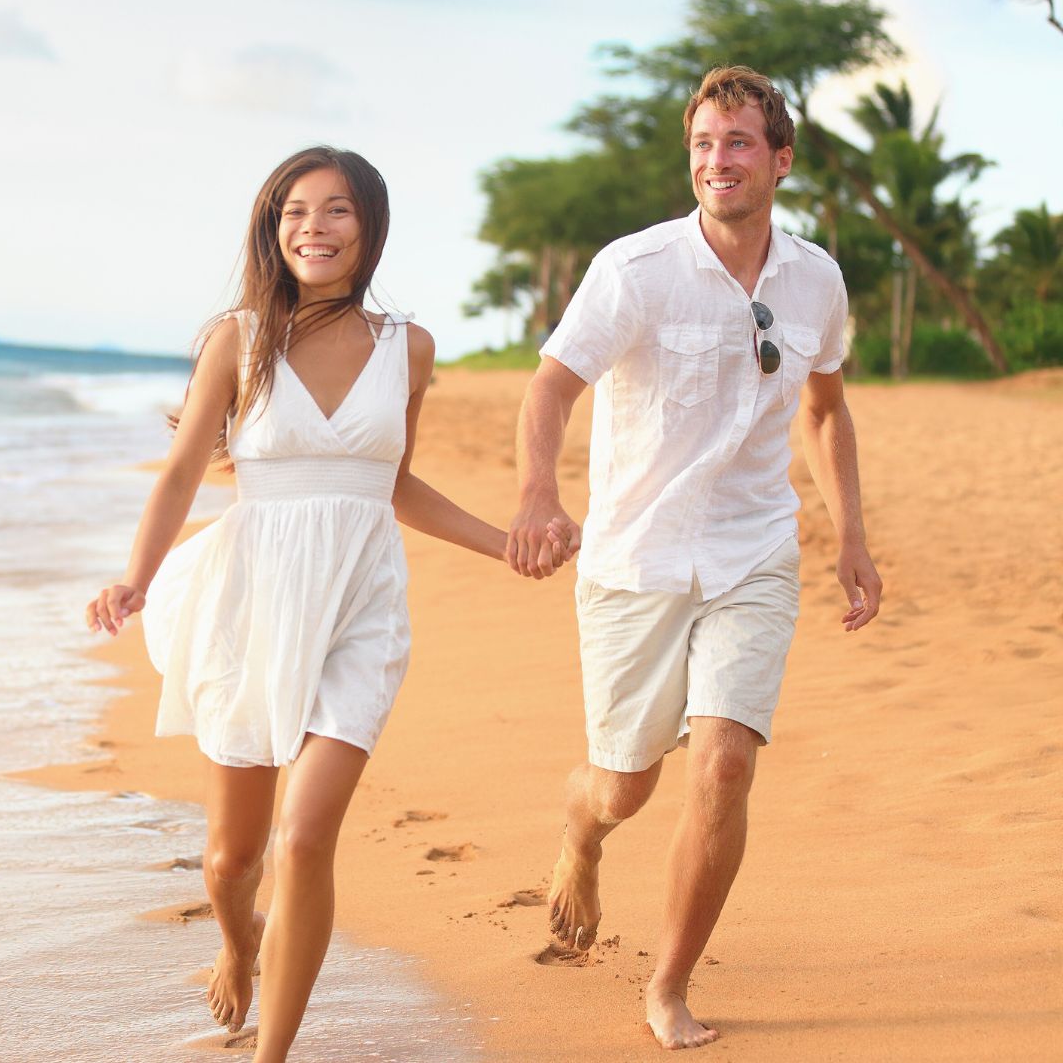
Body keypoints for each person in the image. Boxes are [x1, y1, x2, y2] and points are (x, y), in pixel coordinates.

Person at [86, 145, 572, 1061]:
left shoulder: (409, 348)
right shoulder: (238, 339)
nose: (315, 227)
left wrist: (502, 541)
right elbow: (185, 470)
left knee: (306, 838)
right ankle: (238, 941)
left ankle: (273, 1054)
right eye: (295, 211)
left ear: (370, 227)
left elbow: (394, 485)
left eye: (337, 210)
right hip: (252, 601)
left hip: (360, 602)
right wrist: (135, 578)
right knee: (234, 861)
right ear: (274, 230)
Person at [507, 66, 882, 1050]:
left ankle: (667, 984)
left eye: (740, 142)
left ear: (780, 158)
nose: (718, 160)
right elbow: (549, 387)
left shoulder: (815, 279)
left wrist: (851, 535)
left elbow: (826, 409)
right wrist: (540, 492)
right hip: (635, 561)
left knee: (720, 770)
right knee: (625, 785)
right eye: (705, 144)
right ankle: (581, 833)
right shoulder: (636, 270)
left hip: (753, 554)